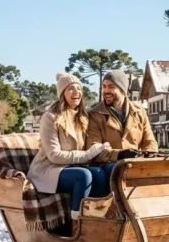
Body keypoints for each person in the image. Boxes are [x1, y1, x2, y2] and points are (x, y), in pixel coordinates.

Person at [28, 73, 112, 220]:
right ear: (62, 94)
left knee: (99, 173)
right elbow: (54, 155)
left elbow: (89, 148)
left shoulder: (83, 117)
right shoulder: (50, 118)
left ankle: (97, 218)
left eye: (79, 88)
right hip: (49, 169)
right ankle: (76, 222)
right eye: (70, 89)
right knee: (83, 175)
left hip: (73, 166)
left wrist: (102, 148)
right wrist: (88, 154)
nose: (76, 92)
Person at [86, 70, 158, 192]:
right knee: (116, 170)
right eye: (104, 86)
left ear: (123, 90)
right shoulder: (94, 115)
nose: (106, 91)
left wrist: (149, 152)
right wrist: (119, 154)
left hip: (135, 163)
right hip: (108, 166)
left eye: (111, 87)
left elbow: (150, 141)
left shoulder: (139, 112)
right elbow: (94, 149)